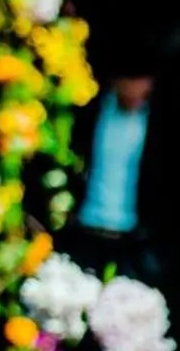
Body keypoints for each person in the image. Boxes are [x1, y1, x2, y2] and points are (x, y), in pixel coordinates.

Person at [62, 70, 165, 288]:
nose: (138, 90)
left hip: (133, 240)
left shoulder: (158, 121)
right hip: (86, 230)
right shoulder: (91, 110)